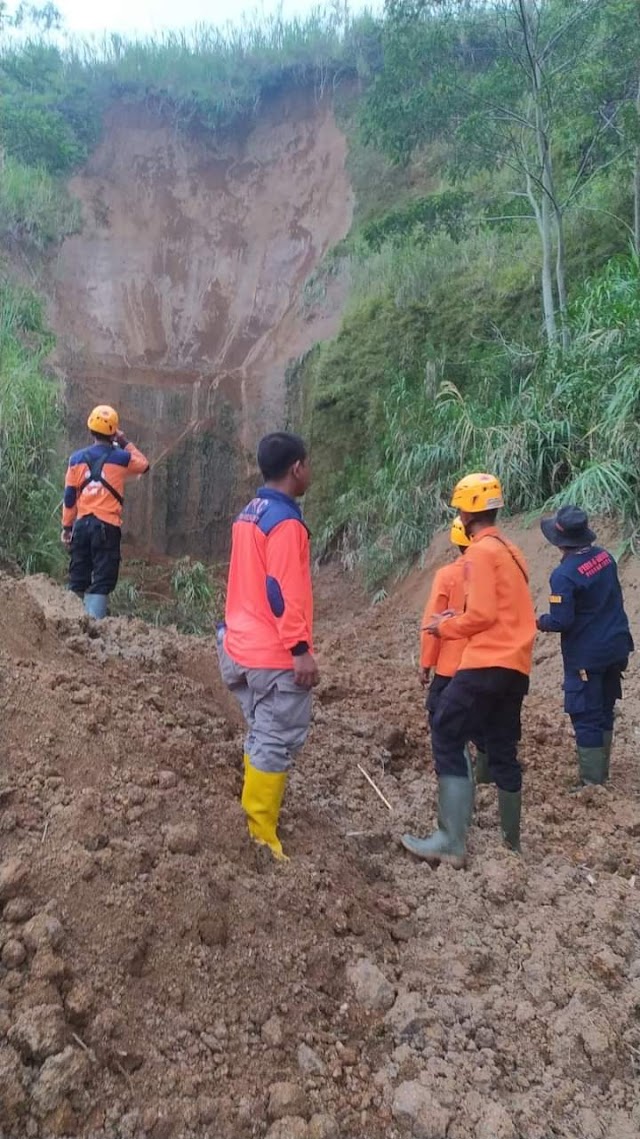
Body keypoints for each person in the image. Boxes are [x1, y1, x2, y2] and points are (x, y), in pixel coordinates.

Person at [402, 473, 536, 866]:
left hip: (486, 660)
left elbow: (481, 615)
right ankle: (511, 845)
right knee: (502, 748)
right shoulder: (512, 551)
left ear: (464, 512)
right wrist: (459, 616)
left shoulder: (478, 553)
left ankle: (450, 840)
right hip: (516, 666)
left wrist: (444, 625)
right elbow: (500, 609)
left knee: (446, 728)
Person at [217, 431, 318, 861]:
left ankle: (253, 813)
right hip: (271, 653)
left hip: (236, 645)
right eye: (307, 464)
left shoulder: (249, 513)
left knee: (262, 732)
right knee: (277, 737)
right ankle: (261, 836)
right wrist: (299, 649)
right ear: (296, 468)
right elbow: (281, 591)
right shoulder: (286, 523)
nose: (309, 470)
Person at [537, 505, 633, 786]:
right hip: (615, 646)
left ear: (560, 539)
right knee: (604, 707)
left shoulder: (564, 575)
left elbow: (561, 620)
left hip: (587, 656)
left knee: (586, 715)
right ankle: (601, 774)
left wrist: (539, 621)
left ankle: (592, 783)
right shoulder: (605, 557)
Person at [62, 405, 149, 618]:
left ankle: (69, 625)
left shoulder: (76, 459)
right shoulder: (121, 457)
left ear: (90, 430)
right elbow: (144, 465)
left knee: (77, 577)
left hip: (81, 526)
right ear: (113, 433)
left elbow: (70, 497)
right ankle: (93, 628)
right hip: (106, 527)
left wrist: (66, 527)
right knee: (102, 579)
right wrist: (124, 441)